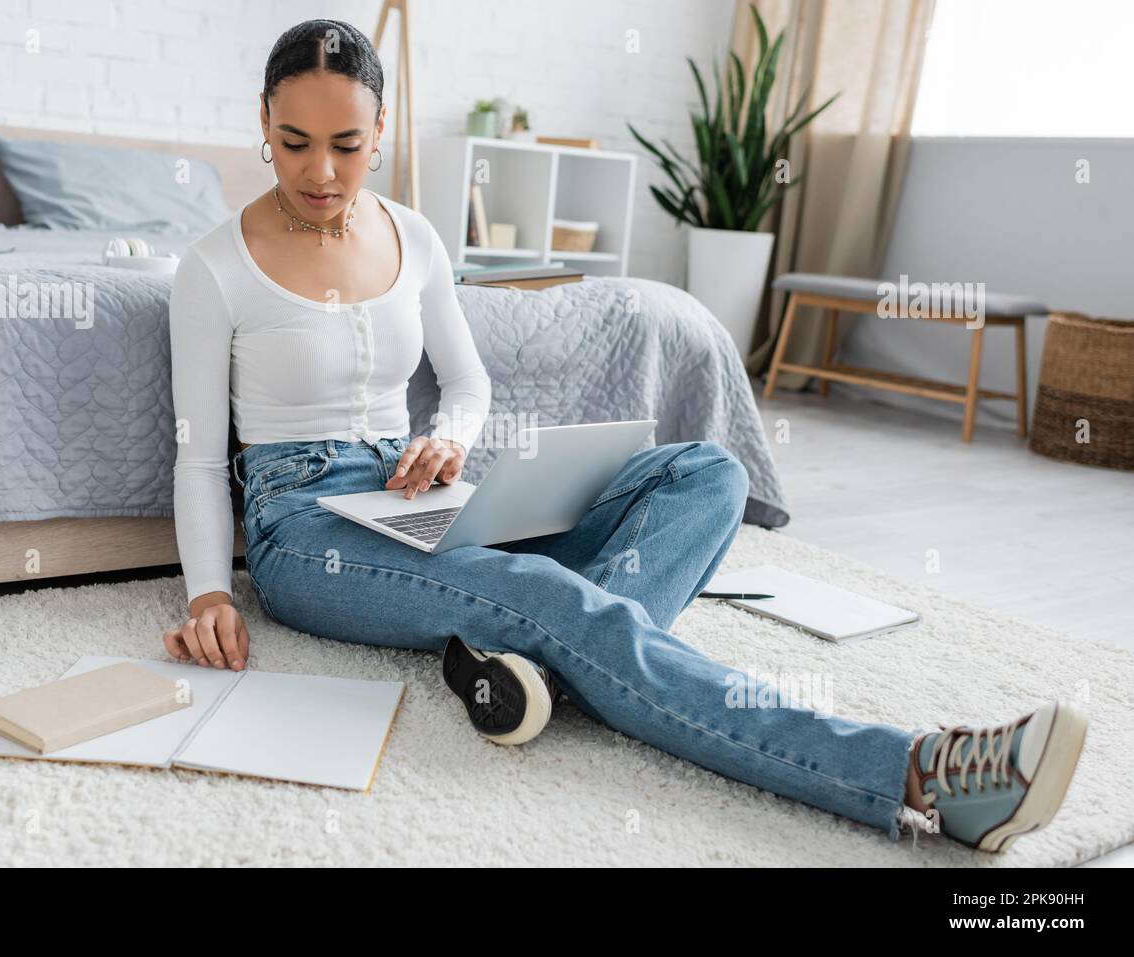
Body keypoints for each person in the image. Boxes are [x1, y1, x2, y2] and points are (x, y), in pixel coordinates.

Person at [163, 18, 1088, 854]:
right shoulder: (213, 268)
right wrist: (209, 588)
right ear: (263, 121)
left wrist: (447, 435)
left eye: (346, 145)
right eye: (293, 144)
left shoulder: (415, 235)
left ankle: (531, 671)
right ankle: (919, 775)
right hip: (308, 528)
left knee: (707, 471)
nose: (321, 172)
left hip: (416, 492)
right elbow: (203, 456)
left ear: (382, 129)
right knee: (551, 595)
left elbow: (469, 381)